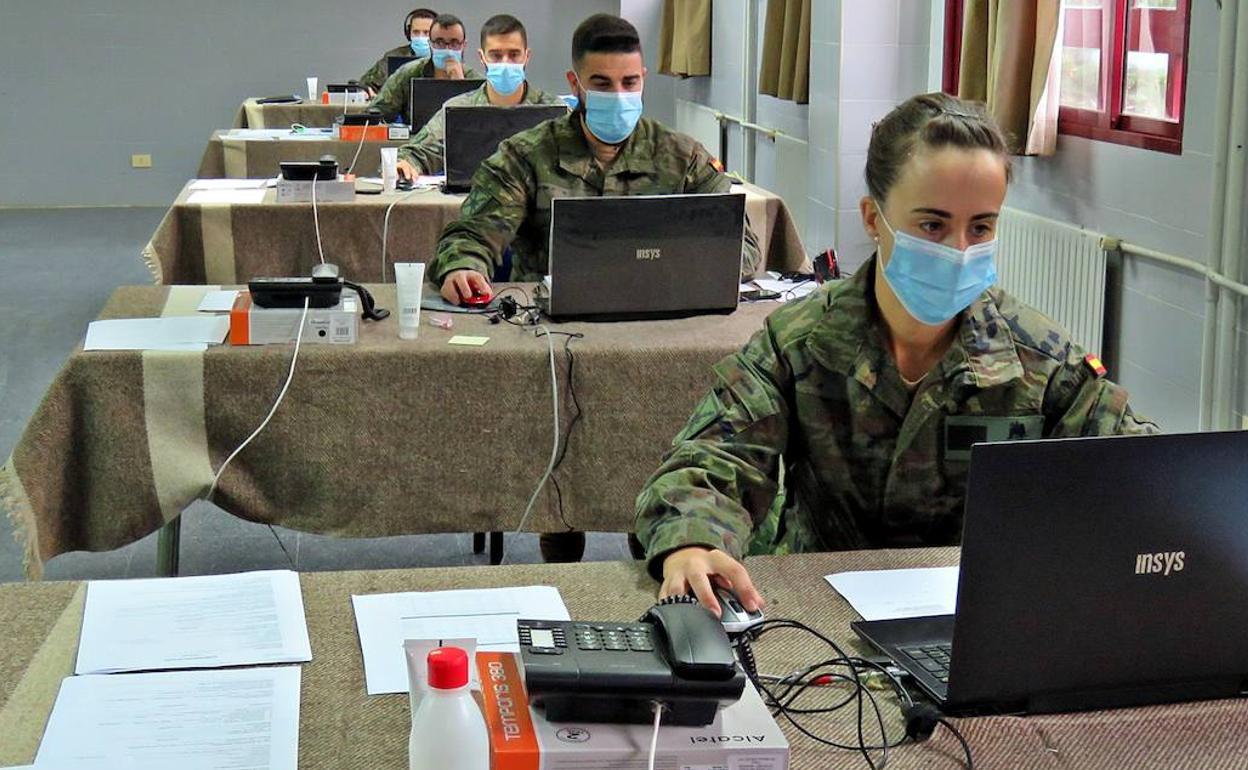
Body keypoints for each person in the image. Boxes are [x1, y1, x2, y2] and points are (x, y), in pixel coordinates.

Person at [633, 92, 1160, 615]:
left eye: (981, 227)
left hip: (977, 611)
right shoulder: (802, 340)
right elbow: (710, 458)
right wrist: (693, 540)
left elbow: (1142, 469)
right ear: (872, 218)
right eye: (932, 225)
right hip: (815, 605)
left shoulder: (1036, 358)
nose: (958, 250)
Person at [428, 13, 761, 306]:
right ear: (575, 84)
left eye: (630, 82)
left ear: (643, 78)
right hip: (549, 325)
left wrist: (673, 267)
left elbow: (739, 246)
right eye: (601, 84)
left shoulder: (682, 157)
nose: (618, 95)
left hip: (661, 311)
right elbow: (471, 234)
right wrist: (463, 267)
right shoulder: (527, 155)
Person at [396, 14, 566, 180]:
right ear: (482, 57)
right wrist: (406, 164)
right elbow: (418, 152)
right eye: (496, 55)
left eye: (514, 54)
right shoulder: (458, 109)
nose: (505, 63)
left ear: (526, 56)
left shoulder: (556, 111)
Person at [370, 13, 482, 124]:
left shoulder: (476, 80)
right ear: (430, 44)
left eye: (454, 43)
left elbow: (483, 124)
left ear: (463, 45)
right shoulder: (408, 72)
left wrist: (460, 86)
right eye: (439, 42)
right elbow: (376, 112)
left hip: (460, 141)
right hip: (414, 139)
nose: (447, 49)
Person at [359, 8, 438, 96]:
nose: (420, 37)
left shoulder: (446, 58)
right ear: (408, 33)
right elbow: (365, 84)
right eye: (416, 32)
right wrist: (365, 91)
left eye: (426, 33)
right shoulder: (394, 56)